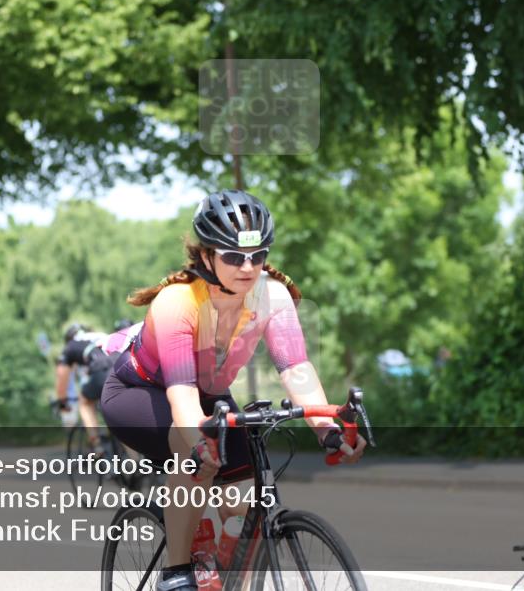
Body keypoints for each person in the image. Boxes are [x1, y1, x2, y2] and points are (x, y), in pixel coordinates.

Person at [99, 189, 366, 591]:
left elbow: (295, 368)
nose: (248, 267)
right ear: (207, 256)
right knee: (195, 454)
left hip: (208, 395)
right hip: (140, 393)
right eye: (233, 257)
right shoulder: (178, 302)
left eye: (258, 256)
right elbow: (182, 395)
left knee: (242, 501)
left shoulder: (272, 295)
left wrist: (326, 427)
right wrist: (199, 443)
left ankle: (221, 566)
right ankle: (177, 572)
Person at [54, 323, 115, 452]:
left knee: (84, 403)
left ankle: (97, 446)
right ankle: (135, 458)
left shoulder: (71, 346)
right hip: (122, 366)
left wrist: (62, 402)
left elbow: (62, 377)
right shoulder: (101, 335)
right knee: (117, 417)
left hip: (102, 370)